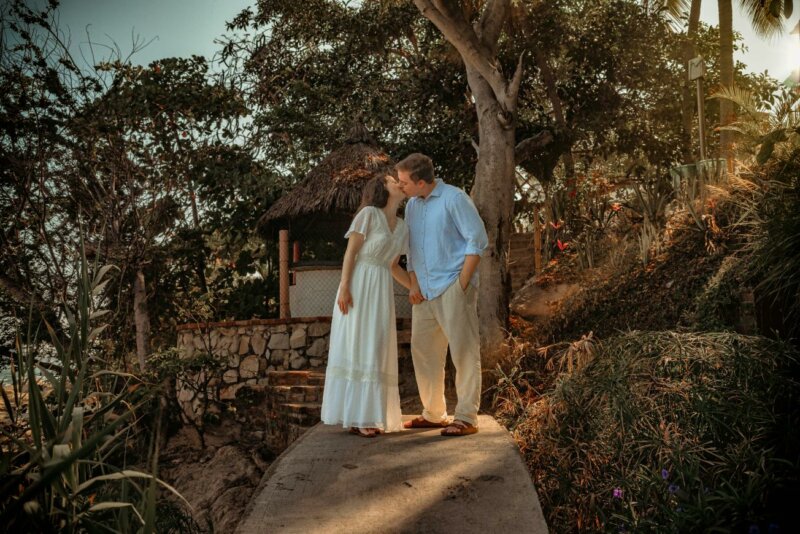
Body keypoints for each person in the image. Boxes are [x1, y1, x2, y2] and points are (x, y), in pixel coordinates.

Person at [396, 153, 488, 437]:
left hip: (452, 287)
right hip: (423, 293)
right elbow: (412, 252)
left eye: (404, 182)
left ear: (421, 182)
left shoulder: (455, 199)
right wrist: (413, 284)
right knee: (424, 354)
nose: (400, 187)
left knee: (463, 352)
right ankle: (434, 414)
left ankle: (467, 417)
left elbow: (478, 240)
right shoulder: (411, 205)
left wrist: (461, 284)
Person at [320, 173, 411, 438]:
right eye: (392, 179)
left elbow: (394, 266)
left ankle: (364, 413)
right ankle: (360, 417)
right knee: (359, 343)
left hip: (381, 287)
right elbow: (351, 252)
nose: (398, 182)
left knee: (378, 343)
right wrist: (345, 286)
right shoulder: (369, 214)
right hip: (359, 285)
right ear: (381, 188)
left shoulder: (403, 227)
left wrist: (416, 289)